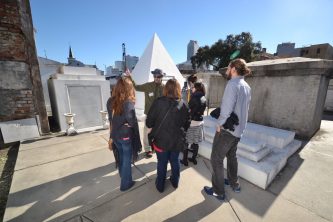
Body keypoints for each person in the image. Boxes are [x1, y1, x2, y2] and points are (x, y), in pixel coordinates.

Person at [204, 58, 251, 201]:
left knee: (216, 159)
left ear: (234, 69)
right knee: (231, 156)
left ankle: (218, 191)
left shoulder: (232, 84)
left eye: (229, 67)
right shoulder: (246, 86)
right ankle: (234, 183)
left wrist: (219, 124)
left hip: (227, 130)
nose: (227, 70)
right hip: (238, 130)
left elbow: (226, 108)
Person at [146, 79, 190, 193]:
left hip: (161, 141)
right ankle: (175, 182)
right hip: (176, 141)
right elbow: (187, 124)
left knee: (162, 163)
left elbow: (149, 122)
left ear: (166, 89)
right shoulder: (183, 104)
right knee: (175, 161)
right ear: (178, 89)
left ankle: (160, 185)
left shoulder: (158, 102)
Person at [107, 77, 142, 191]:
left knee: (122, 157)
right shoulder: (128, 102)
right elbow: (132, 121)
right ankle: (126, 184)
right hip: (125, 136)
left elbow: (111, 120)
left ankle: (123, 176)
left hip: (115, 135)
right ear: (128, 88)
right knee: (127, 159)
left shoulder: (110, 101)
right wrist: (130, 124)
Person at [130, 68, 165, 158]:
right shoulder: (148, 86)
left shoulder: (164, 88)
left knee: (158, 132)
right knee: (146, 132)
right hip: (149, 114)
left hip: (160, 115)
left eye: (159, 76)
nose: (156, 77)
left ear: (162, 77)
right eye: (155, 76)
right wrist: (130, 77)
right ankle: (147, 149)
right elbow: (136, 87)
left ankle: (155, 146)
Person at [180, 82, 206, 166]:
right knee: (196, 142)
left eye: (193, 87)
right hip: (200, 122)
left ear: (196, 88)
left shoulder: (194, 97)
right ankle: (194, 159)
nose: (192, 89)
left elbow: (189, 109)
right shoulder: (203, 97)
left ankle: (185, 160)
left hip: (192, 122)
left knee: (186, 142)